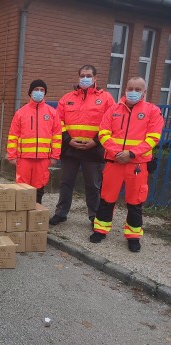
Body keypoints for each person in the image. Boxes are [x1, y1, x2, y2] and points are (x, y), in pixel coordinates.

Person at [89, 77, 164, 252]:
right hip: (114, 162)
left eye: (138, 89)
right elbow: (103, 134)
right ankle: (100, 230)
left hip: (137, 164)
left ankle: (133, 236)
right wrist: (117, 153)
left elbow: (153, 138)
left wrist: (131, 154)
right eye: (130, 88)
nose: (133, 92)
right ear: (125, 89)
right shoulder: (113, 110)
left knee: (135, 201)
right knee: (107, 198)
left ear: (144, 92)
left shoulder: (153, 111)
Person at [49, 65, 115, 226]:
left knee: (93, 185)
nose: (85, 78)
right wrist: (67, 140)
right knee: (66, 183)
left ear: (95, 78)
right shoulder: (67, 98)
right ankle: (61, 213)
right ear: (78, 77)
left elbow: (112, 122)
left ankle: (94, 216)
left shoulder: (106, 98)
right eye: (82, 75)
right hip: (70, 148)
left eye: (89, 75)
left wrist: (96, 141)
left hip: (93, 149)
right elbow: (58, 122)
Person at [7, 79, 62, 204]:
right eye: (36, 89)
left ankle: (36, 213)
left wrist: (54, 156)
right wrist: (12, 155)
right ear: (30, 92)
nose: (39, 92)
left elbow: (57, 137)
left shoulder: (52, 113)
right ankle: (22, 212)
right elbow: (13, 136)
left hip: (43, 158)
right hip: (24, 158)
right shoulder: (20, 113)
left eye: (42, 90)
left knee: (39, 186)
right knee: (22, 187)